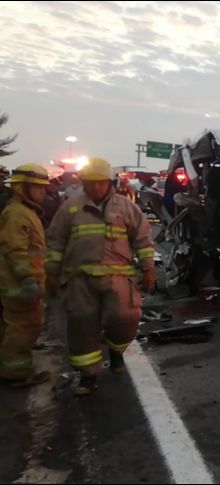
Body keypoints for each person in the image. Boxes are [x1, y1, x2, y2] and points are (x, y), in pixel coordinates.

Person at [45, 158, 156, 396]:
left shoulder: (126, 207)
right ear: (84, 182)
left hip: (118, 277)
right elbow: (56, 242)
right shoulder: (70, 207)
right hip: (79, 278)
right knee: (82, 325)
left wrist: (148, 268)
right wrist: (52, 273)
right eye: (91, 183)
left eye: (100, 183)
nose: (96, 188)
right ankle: (87, 376)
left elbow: (143, 239)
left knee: (126, 317)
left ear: (109, 183)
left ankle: (116, 351)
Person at [0, 165, 51, 387]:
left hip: (26, 282)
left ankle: (16, 368)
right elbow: (15, 250)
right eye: (38, 188)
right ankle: (16, 374)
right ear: (24, 188)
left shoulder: (26, 212)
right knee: (22, 328)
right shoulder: (16, 214)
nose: (43, 192)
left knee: (21, 326)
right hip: (20, 285)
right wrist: (27, 279)